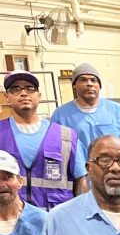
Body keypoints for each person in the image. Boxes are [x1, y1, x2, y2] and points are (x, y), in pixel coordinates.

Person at [0, 71, 87, 208]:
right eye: (16, 89)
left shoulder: (66, 136)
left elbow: (80, 181)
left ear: (38, 96)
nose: (24, 93)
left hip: (56, 221)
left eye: (30, 88)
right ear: (6, 97)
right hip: (10, 221)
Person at [51, 63, 120, 151]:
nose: (89, 84)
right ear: (74, 85)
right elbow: (53, 148)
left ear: (99, 85)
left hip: (114, 167)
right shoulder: (61, 115)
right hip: (79, 169)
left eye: (93, 80)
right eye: (83, 80)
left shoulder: (118, 111)